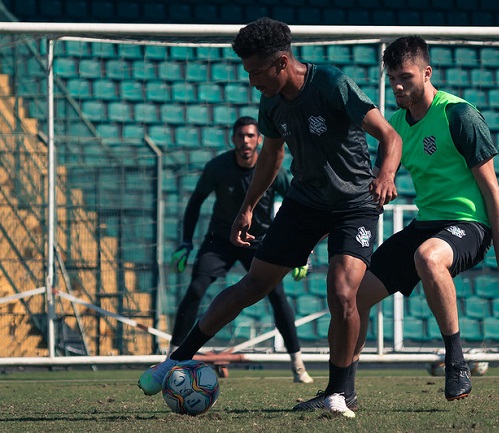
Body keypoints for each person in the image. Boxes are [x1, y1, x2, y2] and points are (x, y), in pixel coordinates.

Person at [138, 17, 403, 418]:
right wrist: (247, 206)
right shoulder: (271, 100)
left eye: (257, 72)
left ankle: (338, 393)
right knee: (253, 284)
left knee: (342, 291)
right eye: (248, 73)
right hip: (305, 202)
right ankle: (174, 360)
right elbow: (272, 156)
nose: (252, 81)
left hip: (353, 204)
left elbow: (390, 135)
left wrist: (385, 174)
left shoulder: (332, 84)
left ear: (281, 62)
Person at [293, 35, 499, 411]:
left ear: (427, 73)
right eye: (392, 79)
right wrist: (311, 238)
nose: (398, 86)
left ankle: (456, 362)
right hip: (426, 226)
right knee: (354, 294)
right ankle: (341, 391)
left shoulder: (459, 115)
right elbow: (368, 190)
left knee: (428, 257)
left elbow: (493, 193)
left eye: (406, 77)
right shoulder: (396, 126)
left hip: (469, 225)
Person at [167, 115, 313, 384]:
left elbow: (300, 206)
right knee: (196, 288)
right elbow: (195, 202)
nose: (245, 141)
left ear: (259, 140)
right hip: (220, 241)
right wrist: (186, 242)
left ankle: (298, 365)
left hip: (259, 242)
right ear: (233, 139)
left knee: (277, 297)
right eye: (241, 136)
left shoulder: (273, 169)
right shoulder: (218, 167)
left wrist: (301, 251)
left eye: (250, 136)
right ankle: (171, 359)